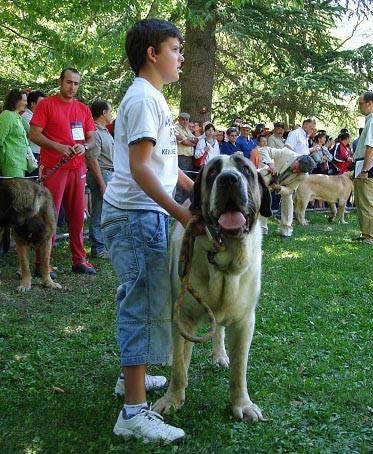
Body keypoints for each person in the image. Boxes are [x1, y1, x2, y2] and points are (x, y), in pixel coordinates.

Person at [101, 18, 196, 444]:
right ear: (152, 54)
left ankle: (131, 379)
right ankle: (134, 414)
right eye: (175, 49)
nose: (181, 57)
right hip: (135, 217)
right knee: (138, 302)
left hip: (145, 216)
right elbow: (140, 168)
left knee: (149, 297)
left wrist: (201, 190)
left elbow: (166, 166)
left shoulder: (153, 97)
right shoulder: (141, 98)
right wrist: (179, 212)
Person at [29, 68, 97, 276]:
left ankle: (79, 260)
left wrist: (83, 147)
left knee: (77, 215)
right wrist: (58, 146)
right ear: (60, 81)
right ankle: (42, 264)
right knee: (49, 215)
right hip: (53, 168)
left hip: (78, 168)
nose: (72, 87)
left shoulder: (83, 109)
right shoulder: (46, 105)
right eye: (69, 82)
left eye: (76, 84)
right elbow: (34, 134)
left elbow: (92, 139)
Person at [352, 91, 373, 245]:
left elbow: (371, 148)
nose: (359, 106)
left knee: (368, 202)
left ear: (369, 103)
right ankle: (366, 234)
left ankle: (372, 237)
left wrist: (365, 170)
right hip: (363, 167)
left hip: (367, 169)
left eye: (360, 103)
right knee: (361, 201)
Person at [258, 148, 316, 238]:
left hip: (283, 186)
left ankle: (286, 230)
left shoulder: (303, 176)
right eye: (296, 168)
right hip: (267, 178)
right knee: (263, 199)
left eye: (298, 172)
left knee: (288, 200)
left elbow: (290, 190)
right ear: (297, 159)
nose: (295, 171)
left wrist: (279, 188)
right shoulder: (286, 153)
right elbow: (263, 150)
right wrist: (271, 164)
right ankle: (262, 229)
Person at [86, 99, 114, 258]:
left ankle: (103, 245)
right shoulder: (95, 133)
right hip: (102, 174)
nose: (111, 114)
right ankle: (98, 248)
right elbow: (92, 159)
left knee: (106, 212)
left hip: (109, 173)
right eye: (110, 111)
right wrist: (102, 184)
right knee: (99, 212)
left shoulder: (103, 131)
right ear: (103, 113)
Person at [0, 89, 28, 177]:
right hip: (10, 161)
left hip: (19, 162)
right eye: (24, 100)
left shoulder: (17, 116)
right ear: (16, 101)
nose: (26, 103)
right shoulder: (7, 115)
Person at [174, 112, 198, 203]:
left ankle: (185, 204)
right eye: (183, 119)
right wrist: (189, 140)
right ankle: (178, 204)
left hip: (189, 159)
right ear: (179, 119)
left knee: (188, 181)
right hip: (181, 158)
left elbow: (196, 140)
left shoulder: (188, 130)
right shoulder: (176, 129)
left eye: (186, 120)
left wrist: (189, 139)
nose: (185, 122)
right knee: (180, 184)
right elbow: (185, 143)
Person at [21, 90, 46, 176]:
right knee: (33, 183)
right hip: (33, 154)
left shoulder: (39, 116)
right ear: (33, 104)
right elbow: (40, 133)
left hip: (41, 153)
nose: (44, 105)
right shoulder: (26, 116)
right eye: (41, 102)